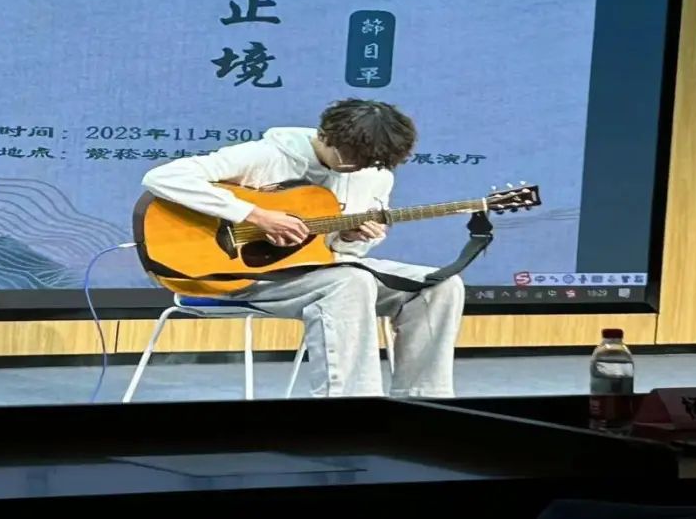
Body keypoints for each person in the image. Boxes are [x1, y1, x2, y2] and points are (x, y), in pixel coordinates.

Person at [140, 98, 464, 399]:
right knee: (351, 282)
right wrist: (255, 215)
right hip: (237, 276)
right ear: (324, 136)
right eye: (350, 158)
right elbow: (163, 177)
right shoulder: (269, 155)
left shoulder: (374, 173)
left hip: (319, 274)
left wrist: (350, 237)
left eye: (368, 162)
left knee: (439, 284)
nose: (356, 167)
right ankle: (352, 408)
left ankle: (424, 400)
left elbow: (342, 256)